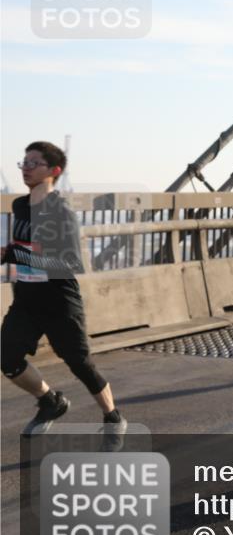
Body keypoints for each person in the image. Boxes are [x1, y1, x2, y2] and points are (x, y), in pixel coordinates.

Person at [1, 142, 126, 450]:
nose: (26, 168)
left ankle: (113, 417)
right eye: (24, 162)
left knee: (80, 363)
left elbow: (68, 264)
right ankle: (50, 401)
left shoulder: (61, 213)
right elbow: (26, 249)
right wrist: (11, 255)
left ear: (53, 171)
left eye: (34, 163)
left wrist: (18, 254)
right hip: (27, 300)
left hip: (60, 302)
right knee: (6, 357)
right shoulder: (19, 206)